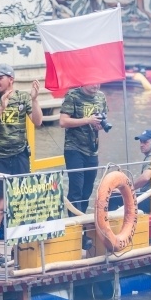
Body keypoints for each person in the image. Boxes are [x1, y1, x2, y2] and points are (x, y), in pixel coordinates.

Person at [0, 64, 43, 266]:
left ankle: (19, 249)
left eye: (0, 78)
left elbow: (38, 121)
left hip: (20, 156)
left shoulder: (23, 97)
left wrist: (34, 100)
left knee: (20, 203)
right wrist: (1, 107)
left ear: (11, 79)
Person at [59, 83, 108, 214]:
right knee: (76, 189)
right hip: (74, 148)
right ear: (84, 81)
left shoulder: (101, 97)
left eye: (99, 82)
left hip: (92, 149)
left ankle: (82, 222)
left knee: (87, 190)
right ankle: (75, 224)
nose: (96, 85)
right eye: (93, 82)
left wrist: (100, 125)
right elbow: (63, 121)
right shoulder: (72, 95)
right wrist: (87, 120)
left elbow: (103, 119)